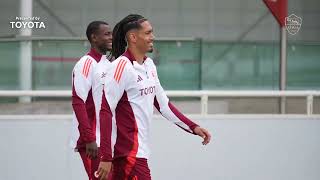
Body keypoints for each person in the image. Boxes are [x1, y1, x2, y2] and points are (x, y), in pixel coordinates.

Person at [96, 14, 211, 180]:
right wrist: (106, 157)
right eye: (148, 33)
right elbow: (105, 110)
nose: (153, 37)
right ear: (133, 37)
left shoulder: (149, 65)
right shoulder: (121, 67)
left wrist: (193, 127)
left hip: (138, 154)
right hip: (127, 155)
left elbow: (163, 105)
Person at [70, 20, 112, 180]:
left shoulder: (107, 63)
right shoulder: (85, 64)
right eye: (107, 34)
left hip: (107, 139)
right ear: (94, 38)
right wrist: (89, 139)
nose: (111, 37)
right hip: (92, 141)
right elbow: (78, 102)